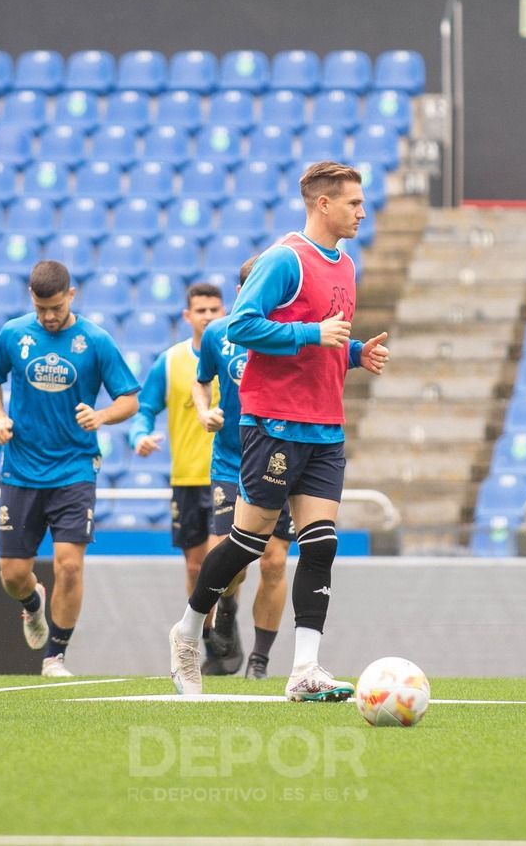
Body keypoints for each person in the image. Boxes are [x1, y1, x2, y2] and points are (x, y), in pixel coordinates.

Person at [167, 161, 391, 702]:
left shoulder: (346, 266)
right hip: (274, 425)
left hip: (325, 427)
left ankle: (304, 669)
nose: (362, 211)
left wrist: (356, 352)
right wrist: (313, 332)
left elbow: (325, 343)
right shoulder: (284, 259)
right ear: (323, 204)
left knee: (322, 544)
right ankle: (188, 631)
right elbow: (240, 326)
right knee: (247, 543)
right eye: (354, 202)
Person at [0, 259, 139, 677]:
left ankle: (55, 655)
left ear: (71, 295)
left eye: (56, 308)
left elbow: (129, 400)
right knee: (13, 575)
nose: (49, 317)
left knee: (69, 563)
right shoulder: (14, 333)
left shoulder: (96, 341)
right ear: (32, 298)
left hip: (74, 468)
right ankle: (33, 603)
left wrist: (101, 417)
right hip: (21, 468)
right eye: (42, 308)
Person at [193, 256, 293, 681]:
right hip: (231, 459)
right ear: (241, 294)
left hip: (280, 457)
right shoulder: (219, 333)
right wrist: (204, 411)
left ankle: (260, 661)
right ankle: (228, 604)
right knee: (229, 557)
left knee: (273, 561)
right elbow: (202, 379)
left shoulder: (288, 334)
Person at [130, 282, 224, 656]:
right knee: (194, 567)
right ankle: (207, 637)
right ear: (187, 316)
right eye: (200, 311)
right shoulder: (170, 362)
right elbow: (146, 408)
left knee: (225, 562)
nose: (208, 316)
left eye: (214, 310)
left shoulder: (237, 354)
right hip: (186, 478)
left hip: (228, 475)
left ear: (225, 312)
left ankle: (225, 621)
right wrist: (140, 435)